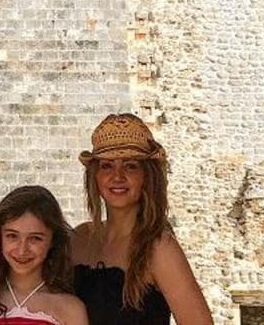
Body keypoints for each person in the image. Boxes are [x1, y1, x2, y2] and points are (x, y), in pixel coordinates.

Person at [72, 113, 213, 325]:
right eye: (107, 165)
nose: (117, 176)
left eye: (130, 165)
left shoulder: (159, 249)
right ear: (95, 175)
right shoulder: (78, 239)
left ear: (147, 175)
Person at [0, 185, 88, 325]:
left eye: (35, 238)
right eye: (12, 236)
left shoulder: (70, 309)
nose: (22, 250)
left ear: (53, 240)